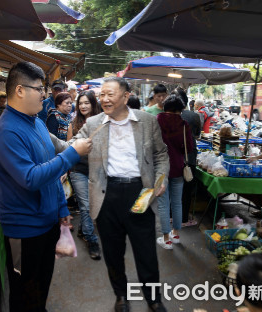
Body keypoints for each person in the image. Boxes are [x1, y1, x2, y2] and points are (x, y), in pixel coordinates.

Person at [0, 62, 92, 312]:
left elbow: (51, 168)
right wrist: (71, 156)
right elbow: (31, 178)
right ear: (20, 90)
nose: (44, 95)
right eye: (38, 88)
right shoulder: (6, 131)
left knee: (41, 283)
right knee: (24, 289)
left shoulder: (35, 122)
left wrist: (60, 208)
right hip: (24, 228)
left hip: (47, 222)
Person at [70, 77, 169, 312]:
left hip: (140, 193)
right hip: (107, 195)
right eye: (102, 94)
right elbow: (72, 145)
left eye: (110, 94)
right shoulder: (94, 123)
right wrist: (46, 140)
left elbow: (161, 155)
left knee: (146, 252)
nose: (104, 99)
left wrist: (160, 179)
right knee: (113, 253)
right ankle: (121, 296)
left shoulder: (146, 121)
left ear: (125, 97)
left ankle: (154, 299)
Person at [67, 91, 102, 260]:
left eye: (87, 102)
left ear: (93, 103)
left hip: (97, 171)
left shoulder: (102, 122)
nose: (83, 106)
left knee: (92, 205)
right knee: (86, 206)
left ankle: (83, 229)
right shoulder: (72, 125)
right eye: (80, 103)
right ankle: (91, 239)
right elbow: (68, 149)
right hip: (78, 170)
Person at [156, 94, 194, 249]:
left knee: (163, 204)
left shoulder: (157, 120)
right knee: (177, 202)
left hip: (160, 168)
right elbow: (189, 148)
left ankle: (166, 239)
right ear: (180, 109)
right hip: (178, 167)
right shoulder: (184, 124)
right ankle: (176, 234)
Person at [176, 91, 201, 227]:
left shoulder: (165, 116)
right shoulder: (193, 116)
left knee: (173, 189)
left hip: (173, 159)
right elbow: (197, 134)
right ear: (186, 102)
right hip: (189, 158)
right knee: (186, 191)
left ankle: (171, 217)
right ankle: (184, 218)